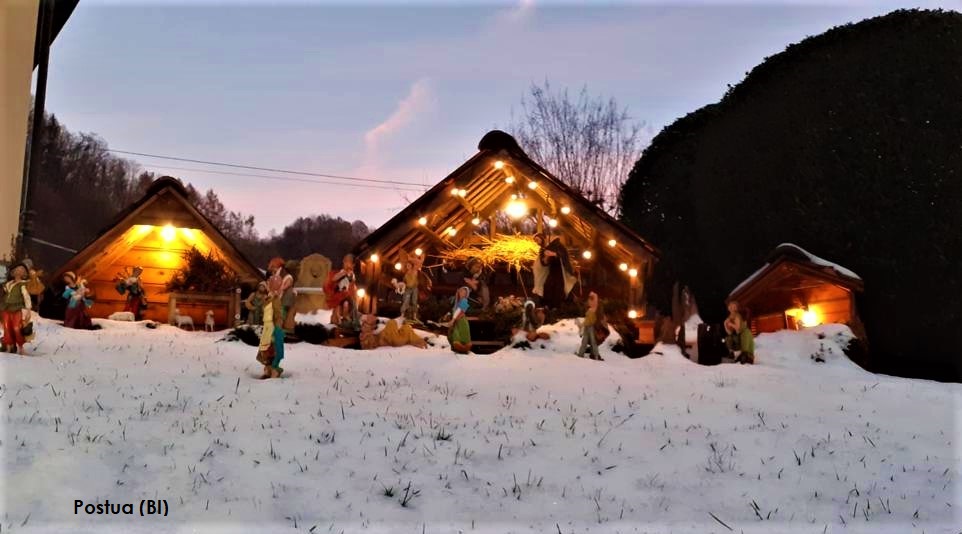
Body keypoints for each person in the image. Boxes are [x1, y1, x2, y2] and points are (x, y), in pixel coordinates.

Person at [2, 263, 35, 354]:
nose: (19, 271)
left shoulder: (23, 284)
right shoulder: (8, 284)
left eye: (22, 270)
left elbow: (26, 297)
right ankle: (9, 346)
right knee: (6, 327)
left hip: (17, 309)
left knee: (17, 328)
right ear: (13, 272)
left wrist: (28, 309)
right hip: (6, 308)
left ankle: (20, 346)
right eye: (17, 269)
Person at [255, 295, 285, 379]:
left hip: (272, 327)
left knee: (272, 348)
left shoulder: (276, 300)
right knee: (264, 349)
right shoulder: (266, 300)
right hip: (266, 327)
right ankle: (268, 370)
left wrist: (277, 329)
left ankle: (275, 370)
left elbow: (278, 316)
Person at [359, 314, 426, 349]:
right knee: (392, 324)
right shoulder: (366, 328)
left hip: (388, 335)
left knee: (403, 328)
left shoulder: (377, 324)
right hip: (386, 336)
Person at [326, 254, 357, 326]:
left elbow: (352, 284)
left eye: (349, 262)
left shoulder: (352, 274)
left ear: (353, 265)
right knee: (337, 307)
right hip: (339, 293)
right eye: (345, 262)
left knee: (346, 305)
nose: (347, 264)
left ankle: (345, 318)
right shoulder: (342, 271)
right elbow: (334, 279)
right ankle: (338, 320)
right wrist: (342, 274)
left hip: (346, 294)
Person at [576, 291, 605, 361]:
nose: (588, 301)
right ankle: (580, 354)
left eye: (590, 299)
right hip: (587, 327)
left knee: (593, 342)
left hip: (592, 327)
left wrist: (592, 294)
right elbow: (587, 320)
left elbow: (595, 298)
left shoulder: (595, 308)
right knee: (584, 341)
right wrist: (582, 325)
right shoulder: (589, 309)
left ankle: (596, 356)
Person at [399, 256, 428, 323]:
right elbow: (404, 282)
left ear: (412, 266)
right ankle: (402, 315)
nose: (408, 266)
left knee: (414, 302)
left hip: (414, 288)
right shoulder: (406, 273)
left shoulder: (415, 270)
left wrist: (410, 259)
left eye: (409, 265)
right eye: (407, 265)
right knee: (405, 301)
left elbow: (419, 263)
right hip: (408, 289)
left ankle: (414, 316)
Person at [446, 286, 472, 354]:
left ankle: (462, 347)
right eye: (461, 292)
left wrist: (453, 320)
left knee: (461, 334)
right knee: (455, 333)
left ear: (466, 294)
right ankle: (456, 347)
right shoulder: (457, 302)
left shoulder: (464, 301)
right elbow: (454, 311)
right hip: (457, 321)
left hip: (461, 321)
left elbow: (458, 311)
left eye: (464, 293)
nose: (462, 293)